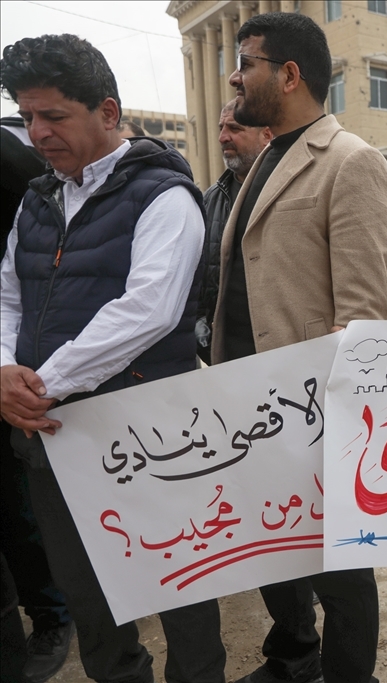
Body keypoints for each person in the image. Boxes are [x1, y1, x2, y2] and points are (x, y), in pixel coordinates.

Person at [0, 33, 225, 683]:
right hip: (56, 439)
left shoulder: (162, 194)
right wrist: (3, 368)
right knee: (91, 600)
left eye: (54, 116)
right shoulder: (38, 201)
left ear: (106, 110)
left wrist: (41, 382)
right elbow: (7, 291)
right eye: (28, 115)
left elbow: (147, 310)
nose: (38, 133)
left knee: (177, 587)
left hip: (148, 438)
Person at [213, 12, 387, 683]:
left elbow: (360, 320)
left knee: (340, 568)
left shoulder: (351, 161)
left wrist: (325, 427)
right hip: (244, 411)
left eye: (247, 61)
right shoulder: (264, 161)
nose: (235, 75)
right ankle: (295, 654)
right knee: (270, 549)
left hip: (309, 418)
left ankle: (350, 673)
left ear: (289, 75)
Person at [0, 115, 74, 683]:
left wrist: (22, 374)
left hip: (25, 375)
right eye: (31, 117)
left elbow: (29, 280)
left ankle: (52, 614)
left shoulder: (15, 163)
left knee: (19, 503)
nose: (41, 130)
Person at [195, 100, 271, 364]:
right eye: (221, 128)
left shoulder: (287, 193)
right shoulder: (210, 201)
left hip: (280, 355)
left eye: (235, 128)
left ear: (267, 135)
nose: (222, 137)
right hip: (226, 357)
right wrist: (200, 326)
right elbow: (196, 276)